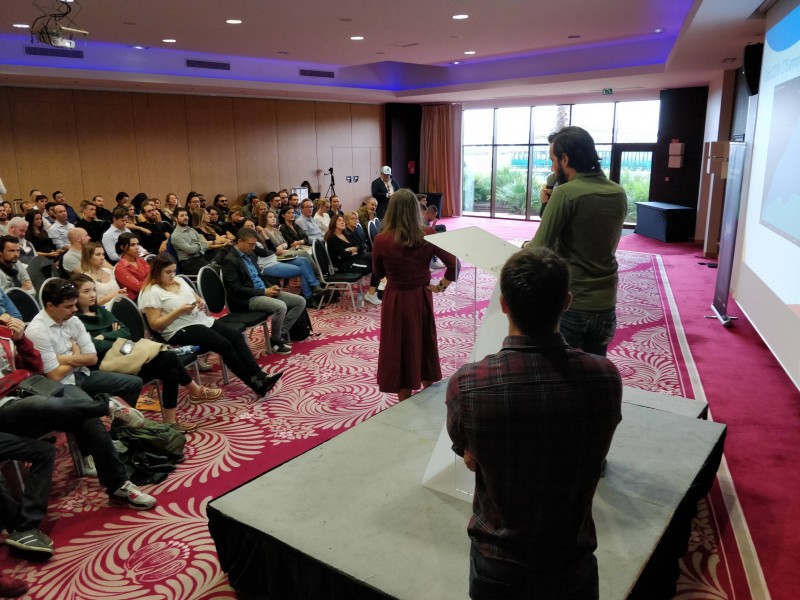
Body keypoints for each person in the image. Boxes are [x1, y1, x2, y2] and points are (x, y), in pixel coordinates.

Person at [446, 247, 622, 600]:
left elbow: (468, 456)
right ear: (567, 302)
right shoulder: (605, 378)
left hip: (497, 560)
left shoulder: (468, 383)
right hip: (570, 558)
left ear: (504, 304)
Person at [71, 273, 221, 431]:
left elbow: (125, 332)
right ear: (75, 295)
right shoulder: (76, 320)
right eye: (86, 291)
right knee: (169, 358)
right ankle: (194, 392)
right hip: (108, 366)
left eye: (94, 290)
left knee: (170, 369)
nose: (93, 294)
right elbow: (93, 347)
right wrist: (112, 337)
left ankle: (172, 420)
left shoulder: (102, 312)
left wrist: (104, 336)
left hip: (127, 357)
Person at [527, 126, 627, 356]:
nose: (552, 167)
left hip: (573, 302)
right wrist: (548, 202)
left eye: (553, 159)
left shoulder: (566, 194)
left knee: (564, 376)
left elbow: (540, 248)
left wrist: (525, 247)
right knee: (593, 372)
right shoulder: (618, 192)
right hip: (606, 303)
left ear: (565, 158)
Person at [138, 253, 282, 396]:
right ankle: (256, 385)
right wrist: (178, 311)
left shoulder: (178, 281)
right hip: (177, 329)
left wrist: (200, 302)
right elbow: (155, 325)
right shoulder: (151, 292)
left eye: (174, 271)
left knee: (236, 337)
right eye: (167, 272)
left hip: (200, 320)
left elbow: (196, 298)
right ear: (157, 271)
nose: (172, 275)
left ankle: (259, 376)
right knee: (224, 344)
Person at [372, 189, 458, 399]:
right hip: (421, 296)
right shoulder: (427, 234)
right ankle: (429, 393)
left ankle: (404, 399)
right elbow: (454, 264)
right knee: (424, 341)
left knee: (399, 347)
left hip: (396, 299)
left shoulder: (381, 239)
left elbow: (378, 273)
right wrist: (441, 286)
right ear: (415, 209)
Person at [24, 278, 144, 409]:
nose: (75, 309)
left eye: (75, 304)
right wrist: (77, 353)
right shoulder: (37, 331)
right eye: (68, 306)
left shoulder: (73, 320)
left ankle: (119, 428)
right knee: (90, 409)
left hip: (83, 373)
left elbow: (92, 358)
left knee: (134, 383)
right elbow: (54, 375)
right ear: (50, 306)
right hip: (61, 384)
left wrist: (63, 359)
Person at [221, 228, 306, 353]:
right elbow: (236, 289)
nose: (254, 247)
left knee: (300, 301)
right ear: (239, 241)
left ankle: (278, 334)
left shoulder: (250, 254)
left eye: (255, 244)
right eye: (251, 244)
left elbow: (258, 276)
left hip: (262, 291)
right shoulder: (230, 260)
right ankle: (275, 341)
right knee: (281, 306)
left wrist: (270, 286)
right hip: (247, 299)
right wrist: (263, 292)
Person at [242, 218, 321, 308]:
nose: (250, 228)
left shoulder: (259, 237)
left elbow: (272, 249)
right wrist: (274, 251)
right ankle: (310, 295)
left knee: (304, 260)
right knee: (303, 269)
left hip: (275, 259)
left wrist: (264, 235)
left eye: (251, 226)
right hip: (267, 265)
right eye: (247, 226)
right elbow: (265, 252)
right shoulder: (248, 242)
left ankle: (314, 287)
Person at [325, 214, 381, 305]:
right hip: (345, 265)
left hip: (355, 258)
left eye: (343, 220)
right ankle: (372, 292)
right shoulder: (332, 238)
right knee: (375, 265)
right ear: (333, 223)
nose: (342, 222)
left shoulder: (346, 234)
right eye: (339, 220)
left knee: (377, 257)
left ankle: (376, 289)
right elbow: (343, 254)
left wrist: (352, 250)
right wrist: (351, 250)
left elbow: (360, 246)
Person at [80, 242, 127, 308]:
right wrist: (113, 295)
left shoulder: (109, 272)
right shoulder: (85, 278)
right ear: (88, 257)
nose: (102, 258)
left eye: (103, 254)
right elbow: (89, 305)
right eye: (98, 254)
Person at [170, 207, 210, 275]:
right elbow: (190, 250)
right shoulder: (175, 235)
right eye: (182, 216)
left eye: (186, 215)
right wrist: (200, 244)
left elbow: (206, 245)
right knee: (211, 270)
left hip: (201, 258)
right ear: (175, 218)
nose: (185, 217)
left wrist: (196, 246)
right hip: (189, 263)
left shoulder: (192, 230)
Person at [113, 233, 150, 300]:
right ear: (122, 247)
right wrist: (153, 277)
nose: (137, 247)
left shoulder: (140, 260)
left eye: (137, 244)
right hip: (136, 300)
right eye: (132, 245)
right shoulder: (120, 268)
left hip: (149, 293)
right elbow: (139, 287)